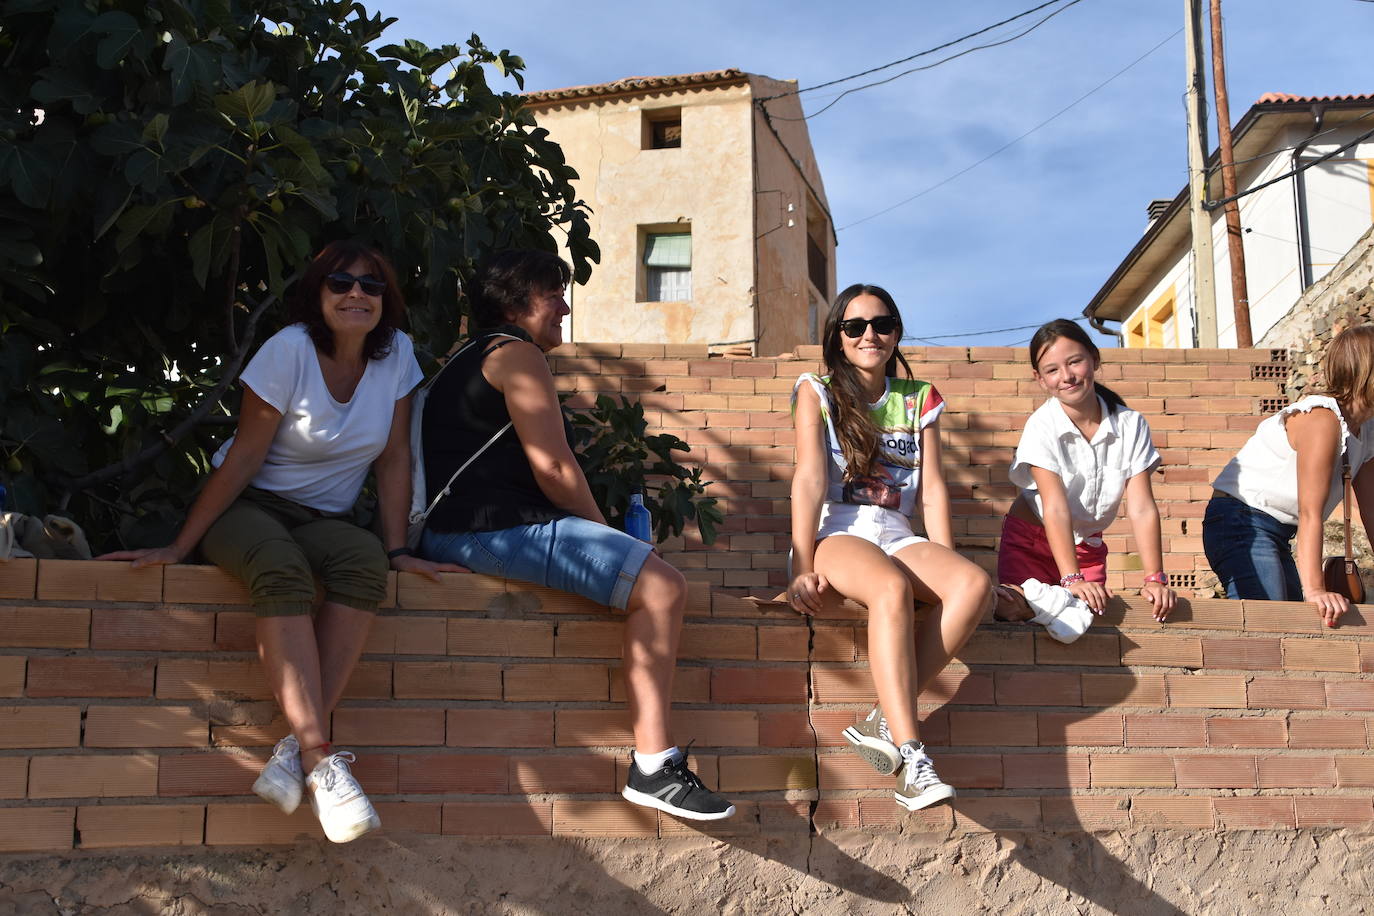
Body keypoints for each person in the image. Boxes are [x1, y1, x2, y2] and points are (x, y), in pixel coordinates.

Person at [99, 240, 459, 843]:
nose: (355, 295)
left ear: (385, 301)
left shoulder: (396, 356)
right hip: (249, 505)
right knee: (280, 568)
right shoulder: (287, 350)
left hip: (325, 515)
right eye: (340, 283)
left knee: (364, 561)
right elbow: (243, 457)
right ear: (317, 294)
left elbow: (395, 459)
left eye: (371, 286)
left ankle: (295, 753)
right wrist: (181, 546)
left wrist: (397, 549)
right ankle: (321, 756)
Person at [414, 249, 734, 821]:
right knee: (660, 586)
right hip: (492, 530)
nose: (563, 306)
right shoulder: (517, 354)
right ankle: (654, 767)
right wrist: (618, 544)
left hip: (449, 533)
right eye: (552, 294)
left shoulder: (458, 362)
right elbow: (555, 468)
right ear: (516, 300)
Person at [788, 283, 992, 812]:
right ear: (837, 336)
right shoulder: (817, 389)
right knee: (890, 588)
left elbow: (937, 486)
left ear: (896, 332)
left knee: (972, 585)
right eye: (854, 326)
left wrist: (946, 556)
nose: (869, 335)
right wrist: (800, 565)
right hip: (840, 532)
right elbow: (810, 479)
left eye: (881, 324)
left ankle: (882, 717)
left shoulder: (919, 397)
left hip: (898, 532)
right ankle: (911, 757)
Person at [998, 319, 1177, 623]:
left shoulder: (1131, 424)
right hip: (1031, 541)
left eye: (1075, 362)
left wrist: (1154, 579)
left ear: (1094, 359)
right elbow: (1054, 506)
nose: (1066, 377)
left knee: (1086, 620)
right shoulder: (1042, 425)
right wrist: (1071, 580)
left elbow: (1142, 507)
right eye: (1052, 370)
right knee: (1017, 613)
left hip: (1087, 547)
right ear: (1039, 379)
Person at [1204, 324, 1374, 626]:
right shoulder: (1323, 420)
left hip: (1276, 530)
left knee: (1293, 628)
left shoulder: (1368, 429)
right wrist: (1316, 590)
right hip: (1241, 520)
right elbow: (1311, 512)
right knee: (1271, 624)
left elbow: (1372, 511)